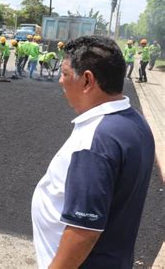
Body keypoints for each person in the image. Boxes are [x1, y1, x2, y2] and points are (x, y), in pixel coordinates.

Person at [31, 35, 155, 269]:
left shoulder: (95, 141)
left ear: (87, 80)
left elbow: (84, 230)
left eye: (65, 73)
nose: (60, 81)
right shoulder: (135, 122)